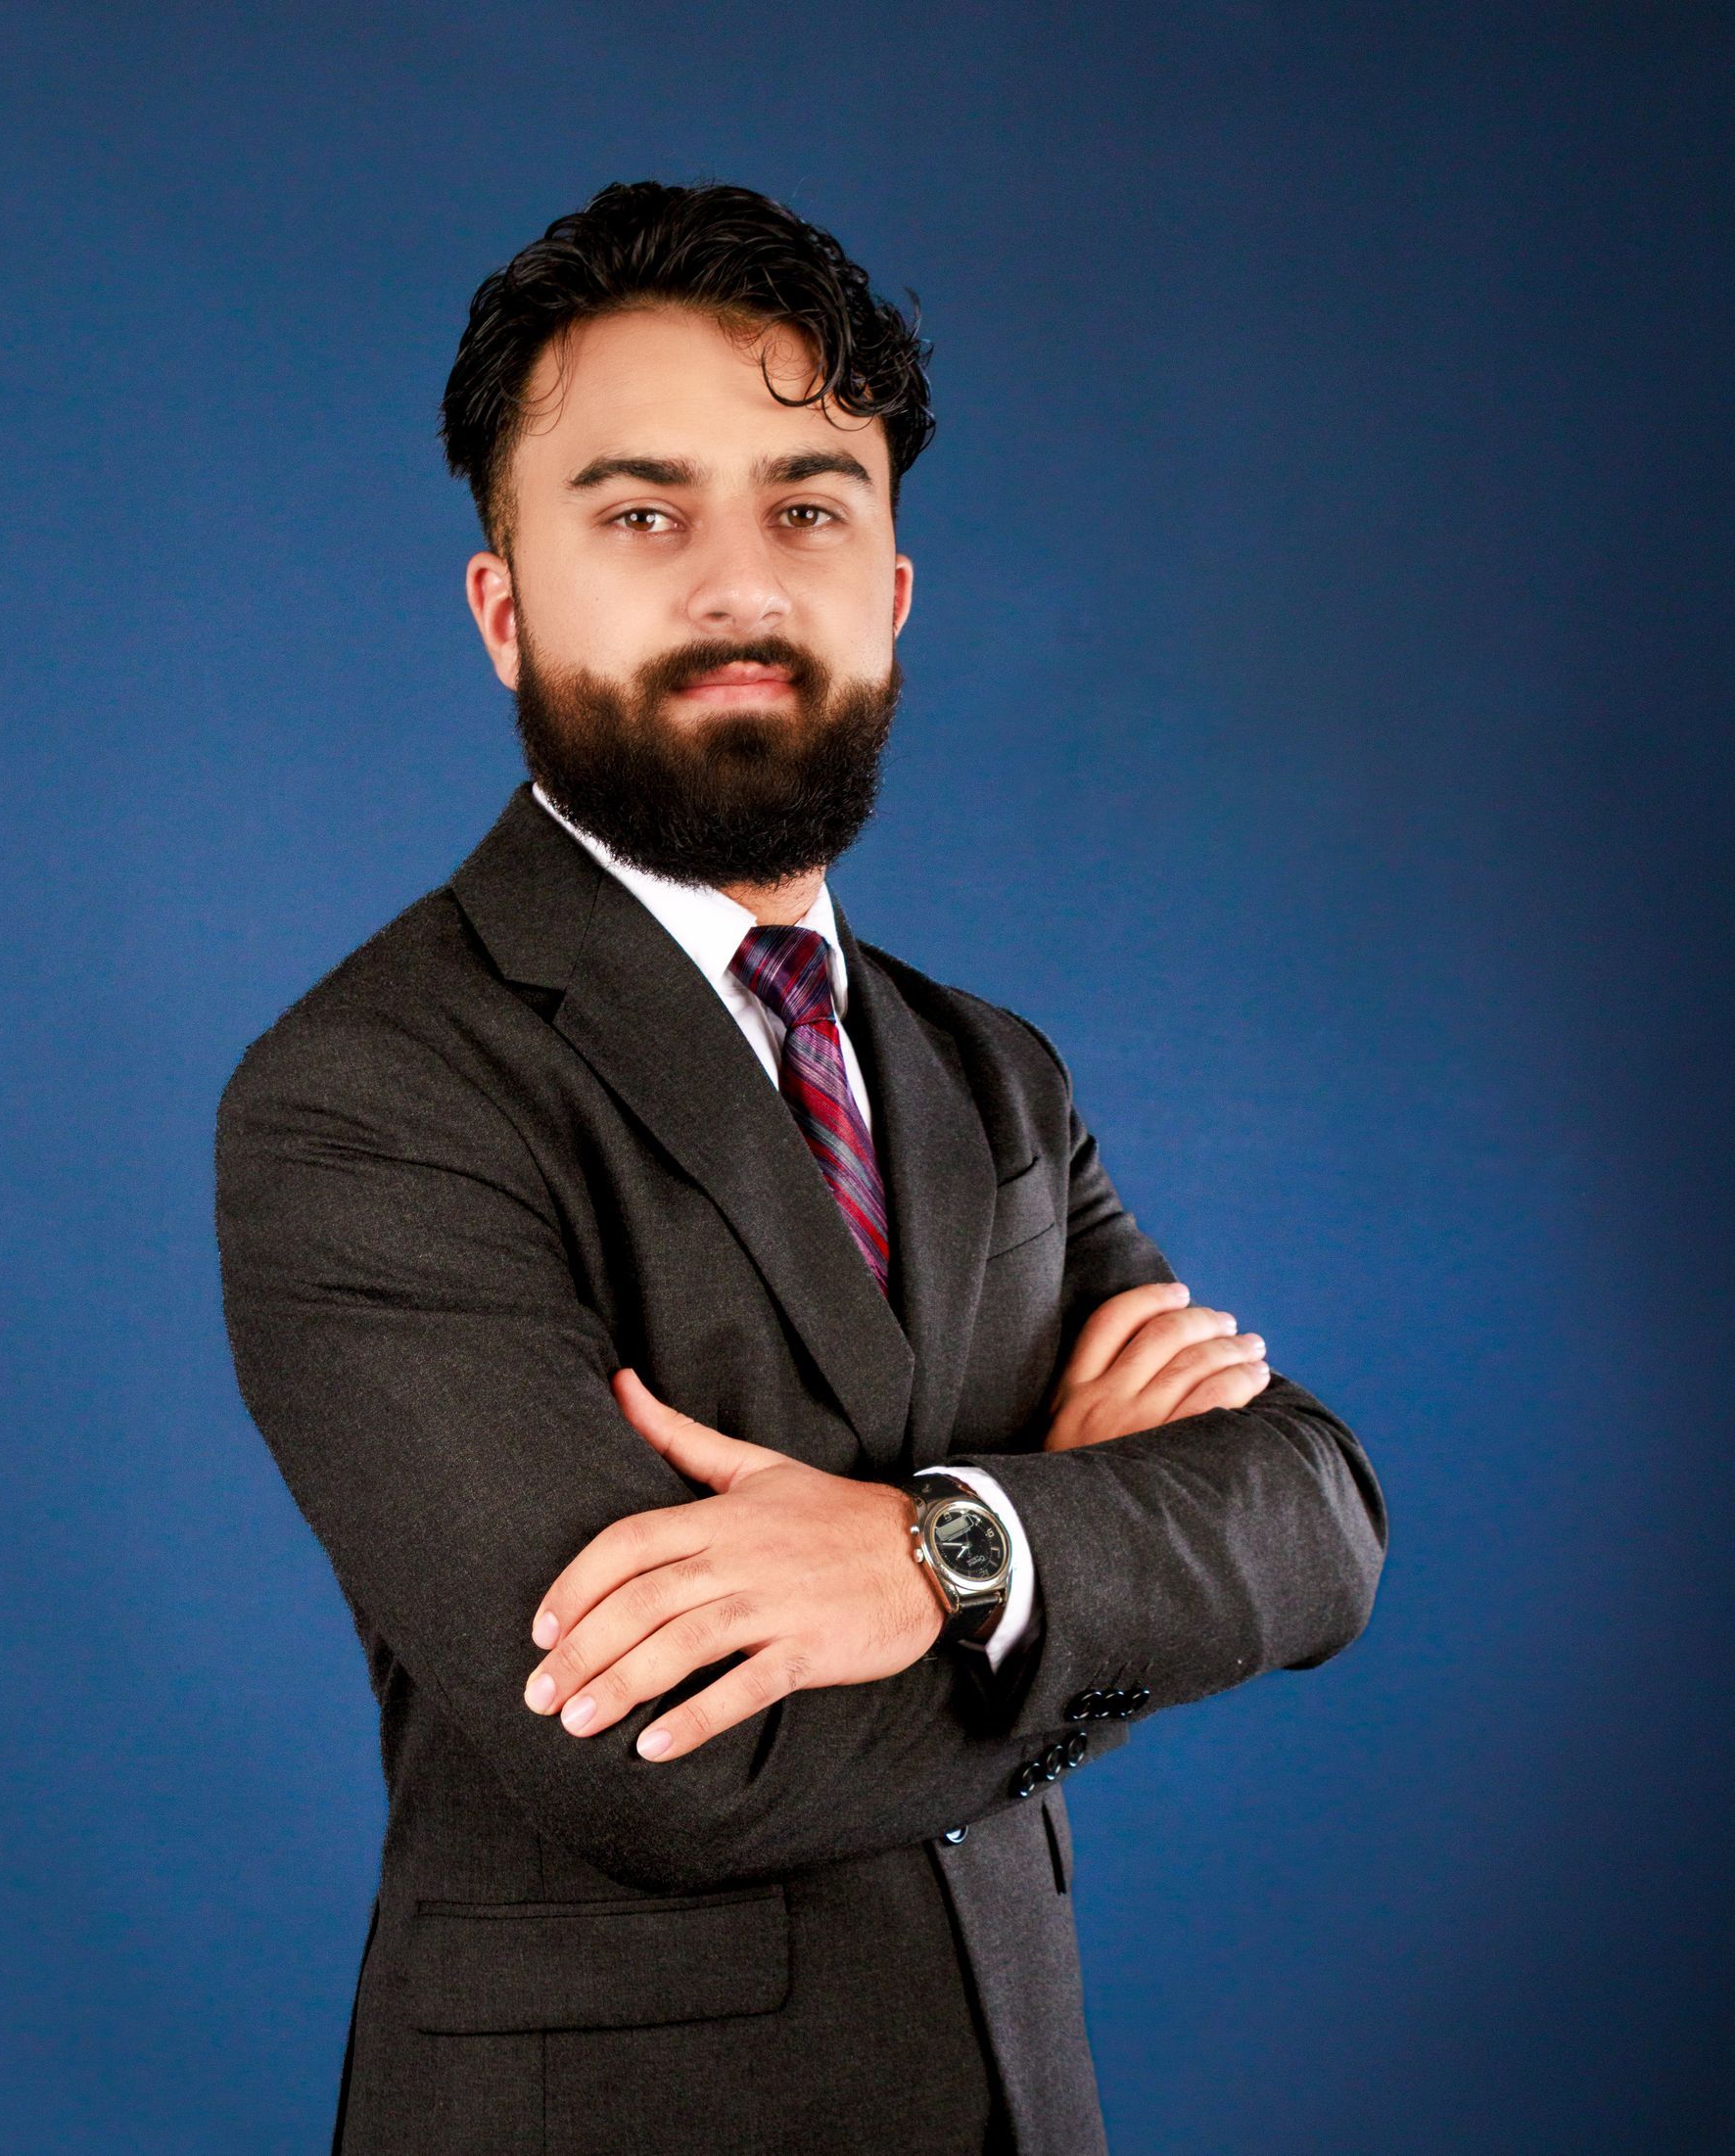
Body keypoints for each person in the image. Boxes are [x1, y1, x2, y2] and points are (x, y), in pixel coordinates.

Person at [214, 178, 1386, 2156]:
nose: (741, 585)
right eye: (643, 513)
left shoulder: (988, 1074)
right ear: (506, 606)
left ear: (893, 593)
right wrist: (1078, 1536)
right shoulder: (373, 1090)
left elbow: (1319, 1522)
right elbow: (676, 1763)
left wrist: (939, 1552)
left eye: (810, 507)